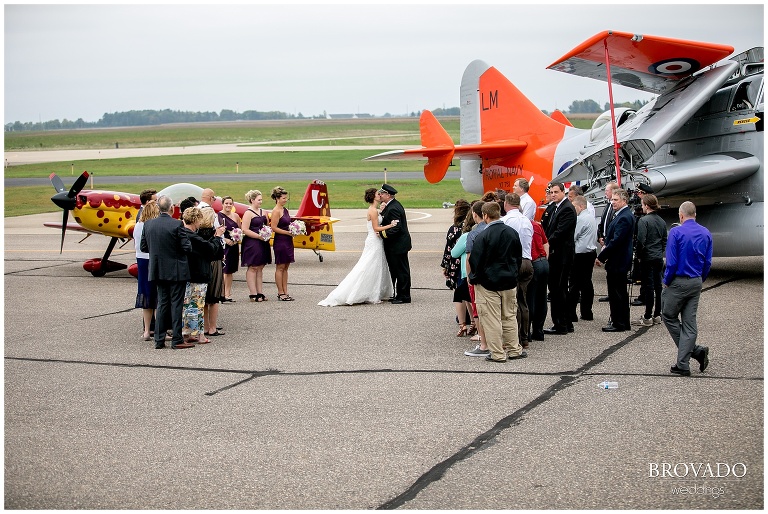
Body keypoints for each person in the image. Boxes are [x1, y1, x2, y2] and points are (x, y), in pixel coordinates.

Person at [318, 188, 398, 306]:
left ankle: (376, 291)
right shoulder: (373, 211)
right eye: (377, 194)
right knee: (368, 265)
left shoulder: (374, 209)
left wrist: (382, 211)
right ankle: (367, 292)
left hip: (375, 240)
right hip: (374, 241)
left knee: (377, 265)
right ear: (373, 197)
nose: (380, 195)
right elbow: (376, 228)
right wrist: (390, 225)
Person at [468, 201, 526, 363]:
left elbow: (476, 261)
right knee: (509, 316)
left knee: (491, 319)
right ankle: (515, 350)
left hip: (488, 283)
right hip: (509, 281)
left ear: (485, 215)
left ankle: (497, 353)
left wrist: (475, 278)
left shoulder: (483, 236)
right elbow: (518, 257)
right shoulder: (511, 233)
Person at [663, 201, 712, 376]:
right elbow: (707, 262)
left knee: (668, 316)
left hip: (678, 281)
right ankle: (685, 360)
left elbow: (672, 262)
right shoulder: (706, 233)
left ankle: (692, 354)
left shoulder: (676, 232)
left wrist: (666, 280)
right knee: (690, 323)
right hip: (696, 281)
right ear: (695, 215)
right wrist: (700, 279)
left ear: (680, 215)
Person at [140, 194, 193, 350]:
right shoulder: (177, 225)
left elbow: (144, 247)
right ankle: (176, 339)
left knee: (162, 303)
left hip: (158, 269)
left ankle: (159, 339)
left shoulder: (148, 225)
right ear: (172, 208)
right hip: (176, 270)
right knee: (176, 304)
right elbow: (186, 247)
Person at [181, 206, 224, 344]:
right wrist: (217, 237)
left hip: (186, 274)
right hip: (198, 274)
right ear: (195, 220)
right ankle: (199, 335)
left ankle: (188, 333)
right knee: (198, 305)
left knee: (188, 306)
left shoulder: (182, 233)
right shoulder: (194, 237)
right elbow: (211, 249)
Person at [596, 188, 635, 332]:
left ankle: (619, 323)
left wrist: (601, 256)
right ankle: (622, 321)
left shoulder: (624, 217)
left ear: (624, 201)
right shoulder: (620, 215)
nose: (612, 202)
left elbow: (616, 241)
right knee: (619, 292)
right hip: (618, 260)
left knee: (617, 293)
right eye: (612, 199)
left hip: (618, 261)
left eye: (615, 200)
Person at [543, 182, 576, 335]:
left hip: (561, 255)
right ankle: (565, 322)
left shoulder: (567, 209)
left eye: (556, 192)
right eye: (551, 192)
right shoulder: (554, 207)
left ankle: (561, 324)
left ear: (563, 192)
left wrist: (546, 243)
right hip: (555, 254)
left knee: (558, 290)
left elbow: (560, 232)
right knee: (557, 289)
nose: (553, 194)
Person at [502, 193, 533, 348]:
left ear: (506, 204)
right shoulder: (526, 220)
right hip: (528, 261)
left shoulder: (506, 221)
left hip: (515, 262)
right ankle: (525, 336)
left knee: (513, 302)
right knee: (523, 301)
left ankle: (516, 337)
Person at [632, 193, 667, 326]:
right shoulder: (661, 221)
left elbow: (641, 240)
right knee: (658, 286)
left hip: (647, 257)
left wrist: (639, 256)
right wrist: (659, 251)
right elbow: (664, 240)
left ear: (646, 206)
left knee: (648, 286)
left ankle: (647, 316)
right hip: (658, 256)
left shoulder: (644, 221)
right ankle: (657, 314)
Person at [461, 201, 490, 356]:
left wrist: (469, 277)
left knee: (477, 310)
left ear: (475, 214)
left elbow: (469, 257)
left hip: (478, 276)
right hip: (494, 275)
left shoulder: (474, 233)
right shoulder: (495, 229)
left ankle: (483, 343)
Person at [441, 200, 471, 334]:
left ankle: (462, 320)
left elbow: (449, 250)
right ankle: (470, 318)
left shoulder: (454, 229)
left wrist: (445, 266)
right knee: (469, 292)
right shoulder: (470, 227)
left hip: (456, 264)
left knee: (459, 293)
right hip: (468, 264)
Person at [379, 184, 412, 304]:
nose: (380, 195)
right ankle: (398, 293)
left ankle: (404, 296)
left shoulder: (393, 208)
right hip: (395, 245)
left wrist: (382, 234)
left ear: (388, 195)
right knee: (396, 270)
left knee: (401, 271)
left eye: (382, 193)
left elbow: (396, 228)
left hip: (398, 245)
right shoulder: (390, 205)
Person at [567, 195, 598, 322]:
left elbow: (573, 236)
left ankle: (571, 313)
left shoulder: (581, 219)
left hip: (580, 254)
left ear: (581, 206)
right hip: (590, 252)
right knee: (586, 283)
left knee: (574, 284)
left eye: (574, 207)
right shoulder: (591, 217)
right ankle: (586, 312)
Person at [240, 190, 272, 302]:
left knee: (260, 267)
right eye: (259, 200)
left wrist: (267, 233)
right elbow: (244, 229)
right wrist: (258, 236)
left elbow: (267, 225)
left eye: (261, 199)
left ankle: (260, 292)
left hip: (263, 242)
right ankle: (252, 293)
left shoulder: (263, 212)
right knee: (253, 266)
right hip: (252, 242)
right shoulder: (248, 213)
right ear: (252, 200)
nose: (261, 202)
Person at [134, 200, 159, 341]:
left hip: (141, 260)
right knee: (156, 295)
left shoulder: (138, 225)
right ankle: (158, 328)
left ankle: (147, 330)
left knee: (145, 294)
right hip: (152, 260)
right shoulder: (151, 226)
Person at [199, 207, 225, 337]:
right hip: (214, 264)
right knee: (214, 299)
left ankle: (205, 326)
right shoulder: (214, 233)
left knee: (203, 298)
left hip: (202, 265)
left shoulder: (197, 233)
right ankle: (213, 327)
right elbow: (218, 251)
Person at [270, 186, 295, 301]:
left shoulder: (285, 210)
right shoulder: (276, 211)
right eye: (284, 198)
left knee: (286, 267)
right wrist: (287, 232)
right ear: (277, 198)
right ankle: (280, 292)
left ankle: (286, 290)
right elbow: (273, 227)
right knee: (280, 266)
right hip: (280, 241)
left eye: (286, 198)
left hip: (288, 240)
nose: (286, 200)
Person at [597, 181, 619, 302]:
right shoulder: (608, 205)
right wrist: (600, 236)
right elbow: (603, 222)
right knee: (609, 272)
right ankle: (610, 294)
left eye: (607, 190)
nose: (605, 192)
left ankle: (613, 295)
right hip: (605, 240)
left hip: (610, 243)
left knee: (613, 272)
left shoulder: (616, 208)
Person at [528, 218, 549, 341]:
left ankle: (527, 331)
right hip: (542, 261)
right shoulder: (536, 225)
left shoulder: (523, 226)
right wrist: (545, 259)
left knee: (530, 298)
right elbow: (546, 244)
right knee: (541, 298)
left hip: (533, 261)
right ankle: (538, 330)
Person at [219, 196, 242, 302]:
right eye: (226, 203)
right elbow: (217, 231)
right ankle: (222, 293)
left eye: (230, 203)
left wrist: (237, 239)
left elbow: (240, 230)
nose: (228, 205)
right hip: (224, 246)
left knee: (231, 270)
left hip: (234, 245)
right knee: (225, 270)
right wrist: (225, 240)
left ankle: (228, 292)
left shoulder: (236, 216)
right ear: (222, 204)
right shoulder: (218, 216)